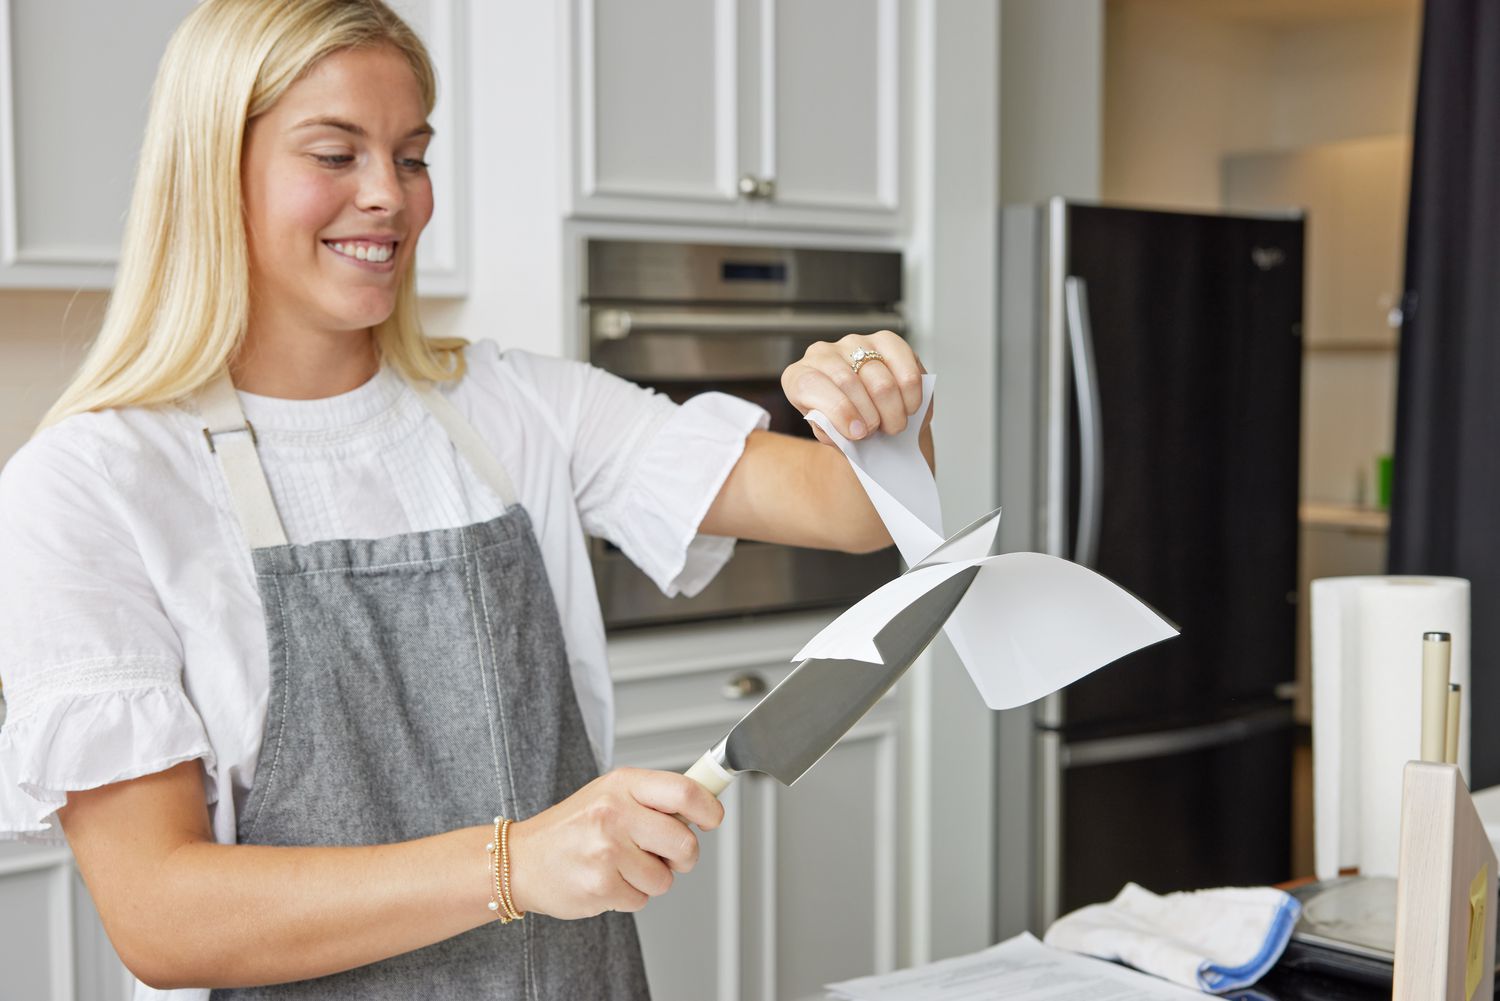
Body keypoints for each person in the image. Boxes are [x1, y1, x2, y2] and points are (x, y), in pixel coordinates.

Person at [0, 1, 934, 998]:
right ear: (210, 169)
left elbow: (853, 511)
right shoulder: (91, 485)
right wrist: (514, 864)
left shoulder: (514, 404)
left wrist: (881, 396)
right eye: (335, 153)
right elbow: (161, 911)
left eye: (411, 156)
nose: (389, 198)